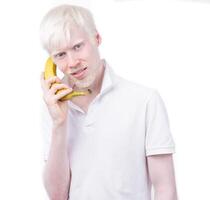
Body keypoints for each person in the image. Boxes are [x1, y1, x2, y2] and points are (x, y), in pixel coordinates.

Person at [39, 4, 178, 200]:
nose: (72, 63)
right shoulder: (53, 108)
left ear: (96, 38)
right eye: (61, 55)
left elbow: (165, 189)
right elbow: (57, 195)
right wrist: (59, 123)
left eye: (77, 47)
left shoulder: (144, 101)